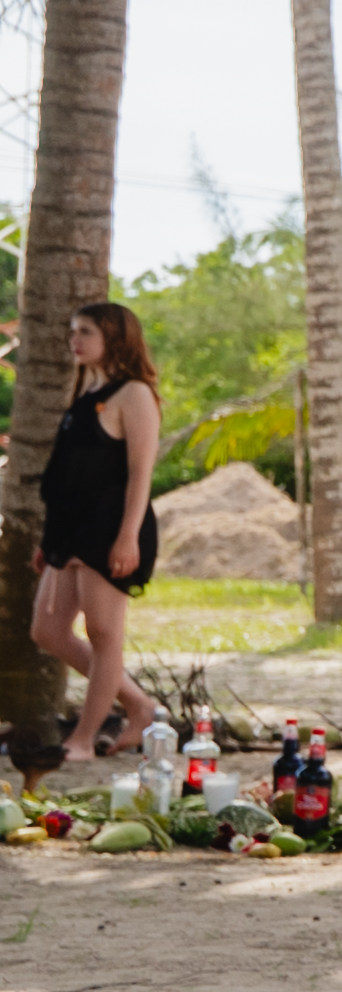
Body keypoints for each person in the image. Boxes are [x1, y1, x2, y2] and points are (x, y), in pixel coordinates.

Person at [29, 298, 164, 762]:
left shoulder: (136, 394)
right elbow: (67, 474)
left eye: (85, 331)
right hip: (71, 532)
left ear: (114, 337)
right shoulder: (88, 394)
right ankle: (139, 705)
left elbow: (140, 474)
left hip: (110, 529)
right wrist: (50, 542)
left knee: (104, 632)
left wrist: (127, 535)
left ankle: (83, 740)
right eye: (73, 331)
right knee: (47, 629)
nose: (75, 340)